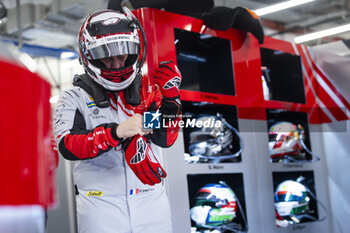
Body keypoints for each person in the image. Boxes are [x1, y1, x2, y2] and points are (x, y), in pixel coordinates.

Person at [53, 8, 182, 233]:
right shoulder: (73, 97)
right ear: (89, 55)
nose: (117, 63)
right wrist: (116, 133)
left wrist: (171, 102)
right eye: (106, 54)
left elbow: (163, 138)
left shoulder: (145, 93)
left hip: (152, 203)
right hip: (101, 207)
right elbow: (68, 146)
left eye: (123, 53)